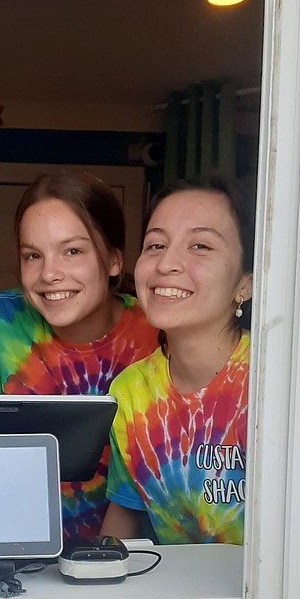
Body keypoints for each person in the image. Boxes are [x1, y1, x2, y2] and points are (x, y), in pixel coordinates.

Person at [0, 170, 159, 537]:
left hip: (137, 558)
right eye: (33, 255)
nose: (49, 273)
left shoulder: (155, 330)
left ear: (114, 260)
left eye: (72, 251)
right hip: (17, 549)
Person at [103, 176, 254, 545]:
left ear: (246, 283)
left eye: (200, 245)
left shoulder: (274, 380)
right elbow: (127, 511)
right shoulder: (131, 393)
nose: (167, 263)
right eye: (155, 244)